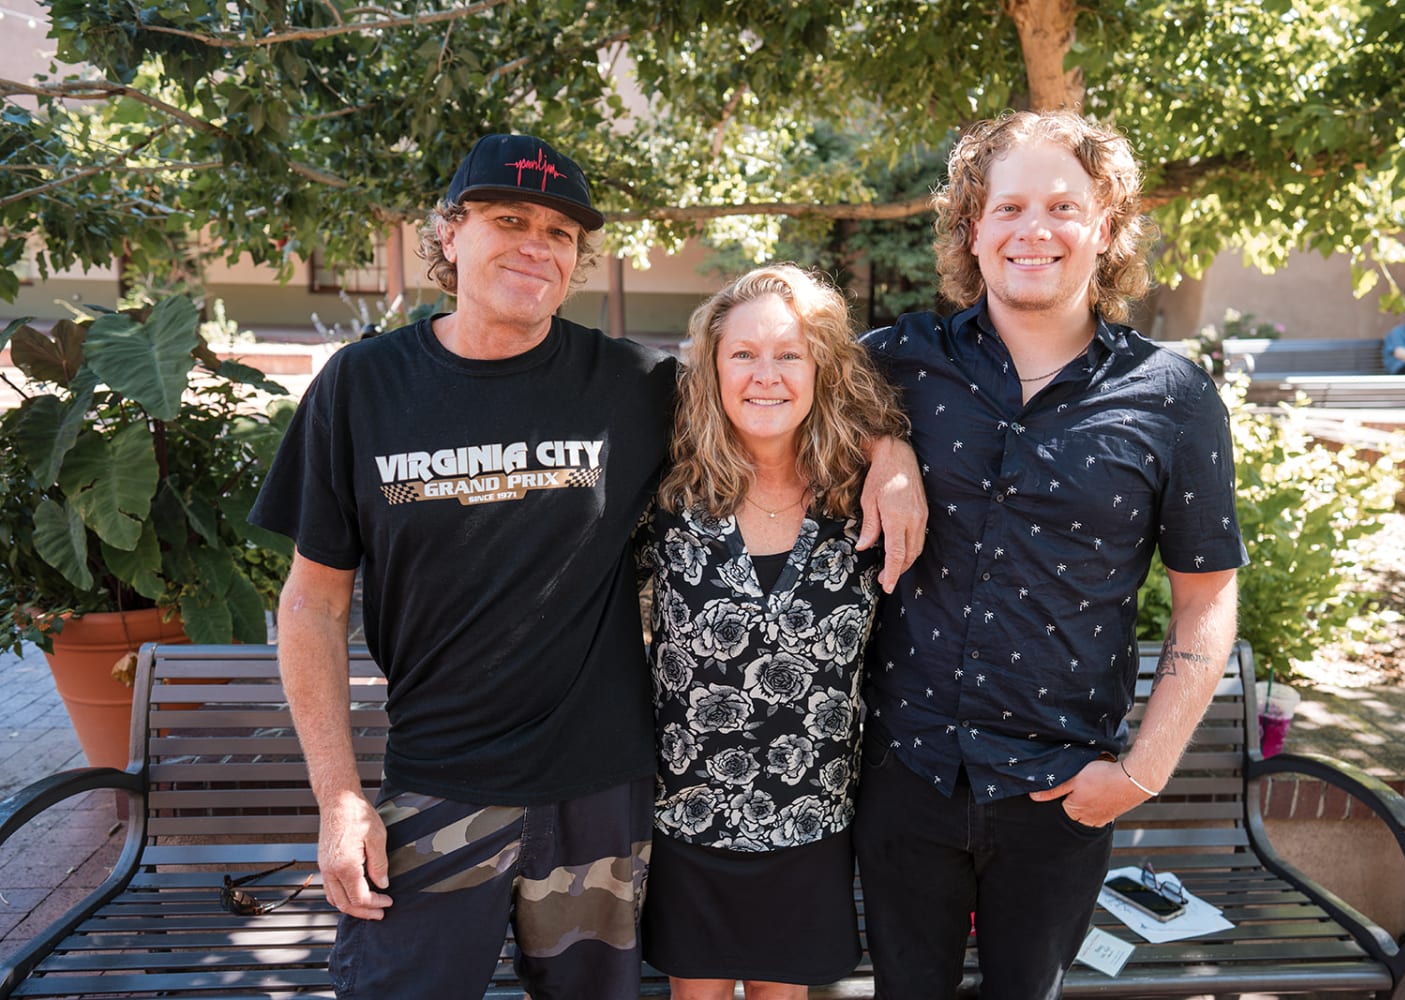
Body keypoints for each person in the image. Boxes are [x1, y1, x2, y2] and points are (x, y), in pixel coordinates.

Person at [248, 134, 924, 1000]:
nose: (536, 245)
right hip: (437, 786)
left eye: (561, 233)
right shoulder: (359, 387)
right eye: (508, 219)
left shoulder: (635, 383)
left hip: (601, 800)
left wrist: (891, 451)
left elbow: (773, 389)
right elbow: (310, 607)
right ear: (449, 234)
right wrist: (339, 799)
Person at [852, 110, 1247, 1000]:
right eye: (1009, 207)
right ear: (972, 229)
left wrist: (1139, 775)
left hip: (1063, 791)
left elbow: (1207, 600)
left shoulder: (1173, 397)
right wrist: (885, 441)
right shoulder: (894, 365)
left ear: (1104, 229)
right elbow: (763, 380)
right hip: (905, 773)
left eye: (1064, 207)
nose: (1035, 229)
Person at [637, 265, 908, 1000]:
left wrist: (893, 448)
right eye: (743, 354)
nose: (767, 375)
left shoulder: (866, 501)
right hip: (687, 817)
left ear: (822, 369)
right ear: (712, 369)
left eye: (789, 354)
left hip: (811, 821)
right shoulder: (667, 491)